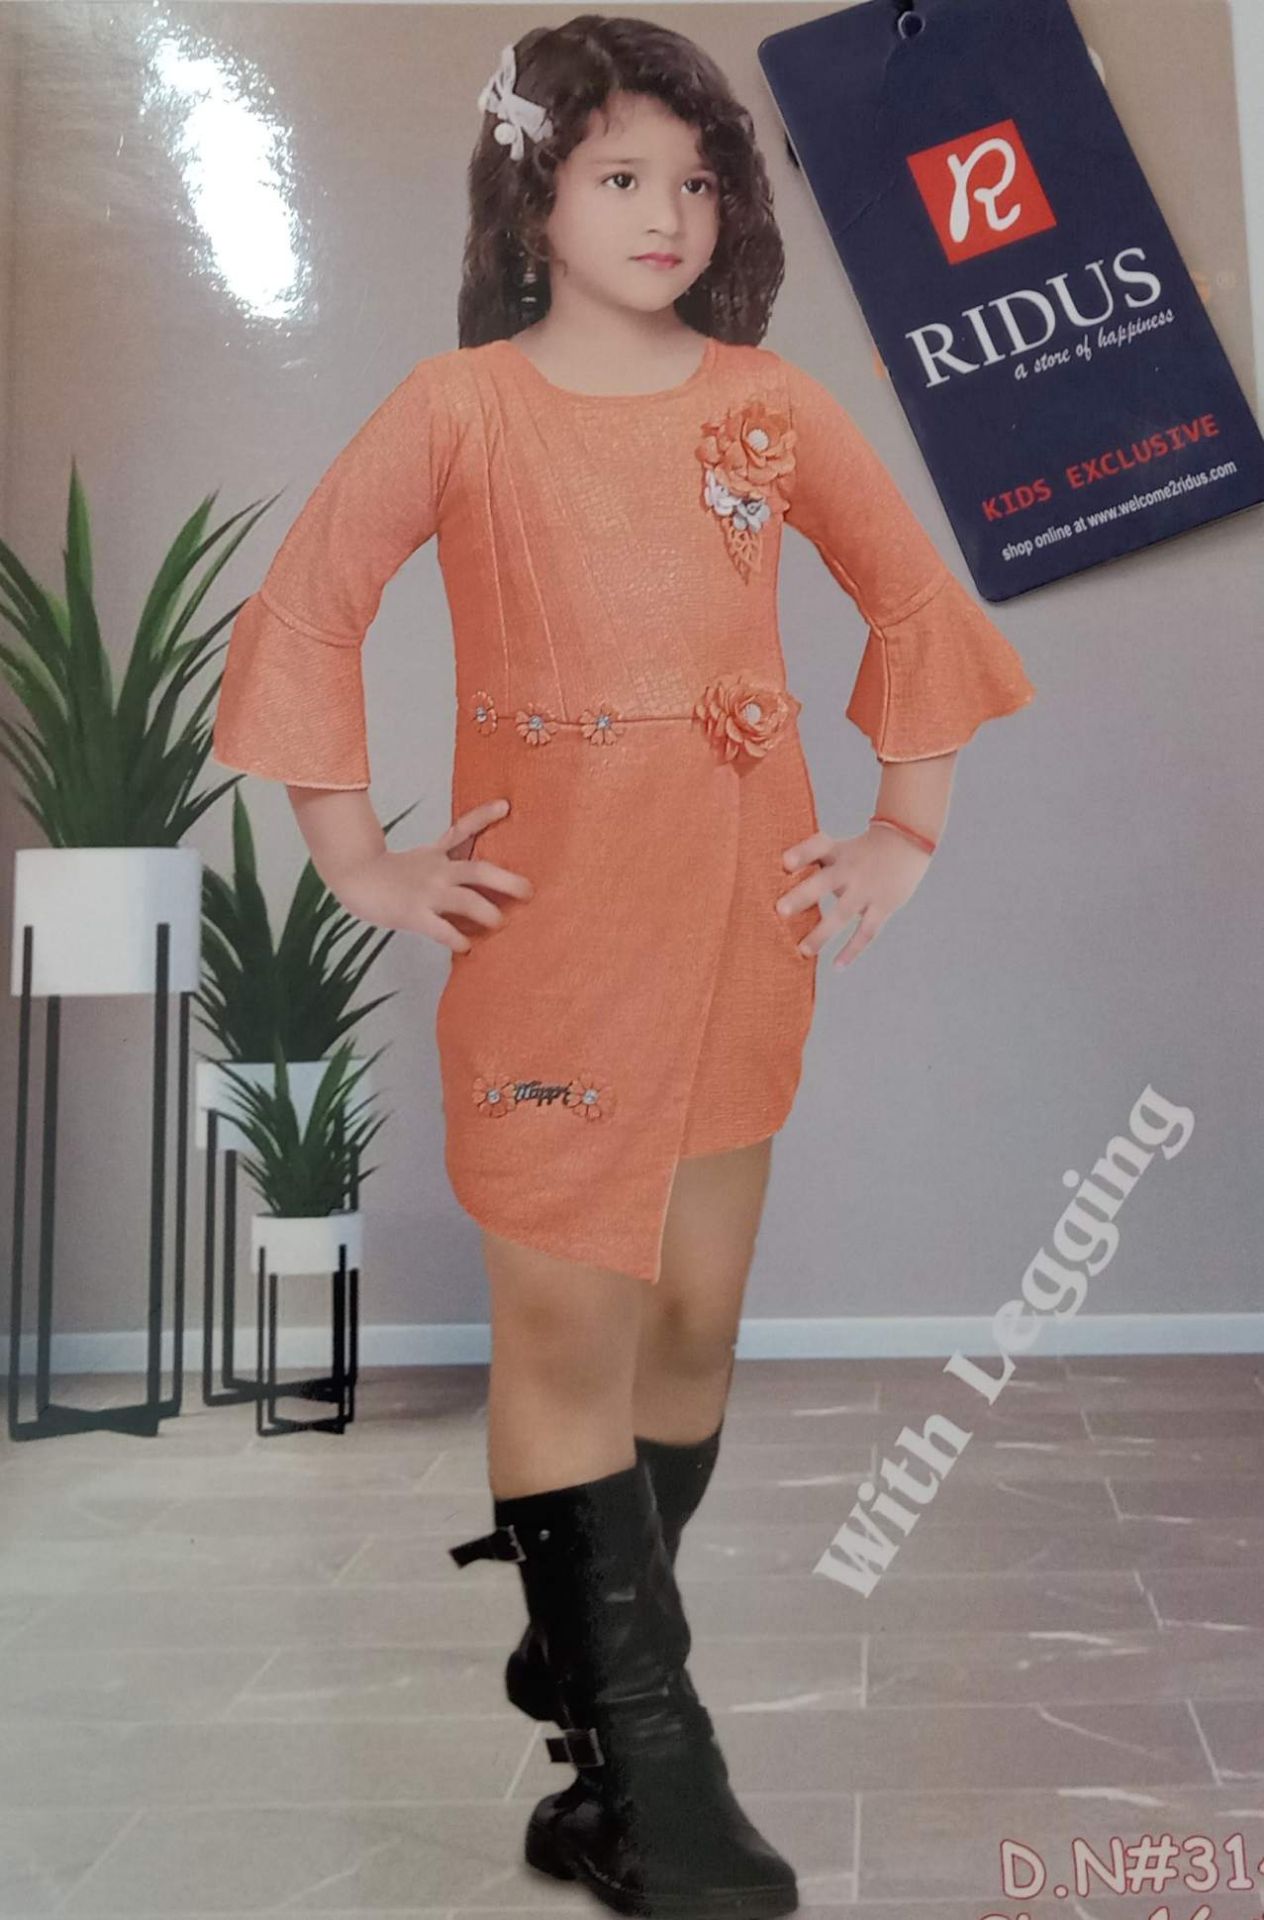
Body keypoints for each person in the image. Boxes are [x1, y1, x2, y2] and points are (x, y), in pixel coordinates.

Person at [211, 16, 1036, 1916]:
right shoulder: (457, 409)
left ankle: (577, 1632)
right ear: (534, 200)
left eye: (697, 179)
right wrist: (358, 854)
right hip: (554, 942)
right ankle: (646, 1780)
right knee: (570, 1333)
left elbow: (912, 591)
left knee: (690, 1329)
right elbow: (313, 606)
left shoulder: (770, 403)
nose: (670, 212)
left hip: (744, 926)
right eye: (620, 177)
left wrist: (903, 831)